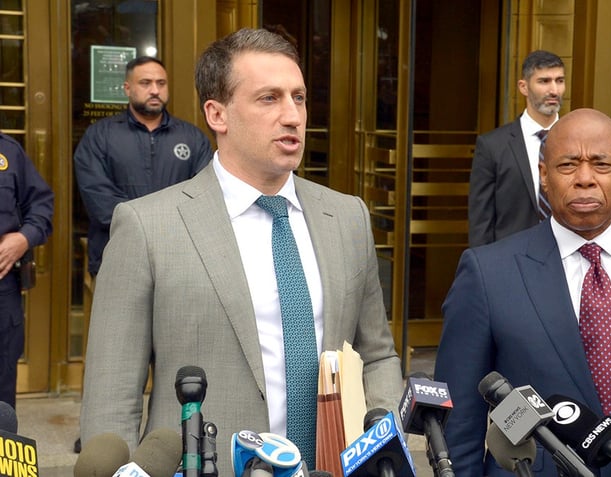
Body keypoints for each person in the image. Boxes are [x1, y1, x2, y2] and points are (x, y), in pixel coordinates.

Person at [79, 28, 403, 474]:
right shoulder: (147, 226)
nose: (292, 115)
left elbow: (378, 355)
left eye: (299, 98)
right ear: (217, 114)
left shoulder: (347, 217)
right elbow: (112, 390)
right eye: (269, 98)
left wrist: (379, 447)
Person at [435, 108, 611, 477]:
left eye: (602, 164)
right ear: (544, 176)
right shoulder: (488, 274)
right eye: (568, 165)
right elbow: (459, 424)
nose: (585, 179)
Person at [74, 55, 212, 278]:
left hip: (178, 260)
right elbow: (98, 198)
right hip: (117, 257)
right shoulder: (100, 136)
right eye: (145, 83)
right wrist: (149, 230)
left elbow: (203, 194)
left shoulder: (193, 138)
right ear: (127, 89)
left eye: (161, 83)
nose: (155, 90)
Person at [467, 50, 565, 247]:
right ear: (524, 87)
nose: (554, 90)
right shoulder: (492, 146)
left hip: (567, 258)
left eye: (560, 81)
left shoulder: (577, 140)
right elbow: (481, 221)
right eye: (544, 81)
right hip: (512, 259)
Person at [0, 134, 53, 408]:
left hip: (3, 290)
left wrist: (23, 239)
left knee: (2, 391)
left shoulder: (9, 151)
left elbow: (41, 205)